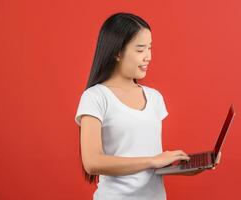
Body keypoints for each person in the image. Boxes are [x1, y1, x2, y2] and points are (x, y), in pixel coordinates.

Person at [74, 12, 221, 200]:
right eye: (140, 49)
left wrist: (188, 168)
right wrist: (153, 160)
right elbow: (92, 162)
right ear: (118, 52)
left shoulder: (154, 98)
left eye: (150, 48)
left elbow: (150, 168)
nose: (148, 57)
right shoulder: (95, 97)